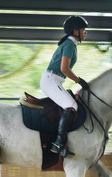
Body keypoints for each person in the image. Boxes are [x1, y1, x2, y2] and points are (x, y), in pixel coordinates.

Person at [40, 16, 90, 156]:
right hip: (51, 81)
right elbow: (64, 69)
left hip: (55, 81)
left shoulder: (71, 44)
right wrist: (79, 81)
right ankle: (58, 143)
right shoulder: (69, 44)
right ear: (75, 31)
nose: (85, 32)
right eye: (83, 30)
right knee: (72, 106)